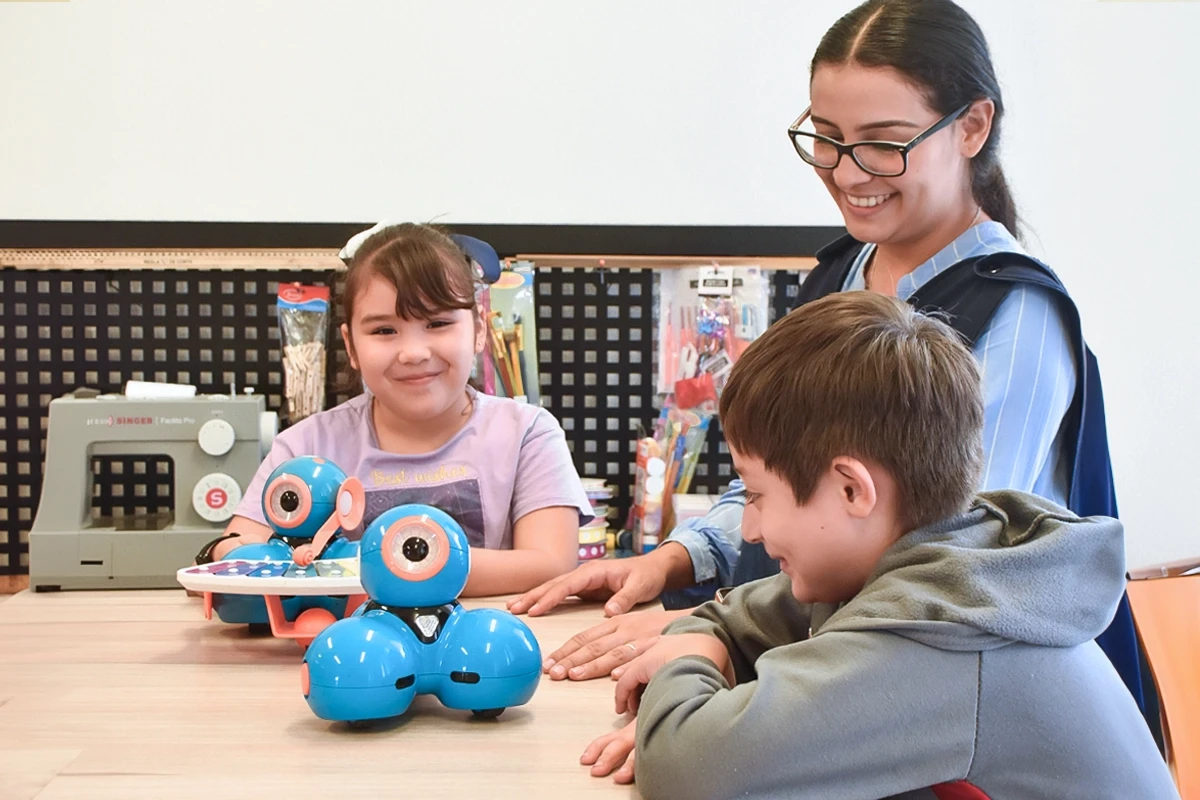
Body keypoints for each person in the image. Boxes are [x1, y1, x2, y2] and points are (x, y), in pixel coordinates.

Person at [509, 0, 1135, 701]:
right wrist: (679, 557)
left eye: (883, 142)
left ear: (972, 126)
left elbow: (946, 570)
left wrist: (717, 629)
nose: (846, 172)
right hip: (812, 660)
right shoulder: (840, 275)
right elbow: (785, 470)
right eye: (828, 137)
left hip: (936, 698)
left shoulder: (1020, 316)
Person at [580, 291, 1176, 798]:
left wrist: (686, 665)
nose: (753, 529)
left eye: (758, 496)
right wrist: (705, 644)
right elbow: (730, 616)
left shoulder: (944, 636)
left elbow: (689, 769)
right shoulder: (942, 568)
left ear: (851, 490)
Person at [199, 222, 593, 596]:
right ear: (351, 346)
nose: (414, 353)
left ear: (478, 330)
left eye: (437, 323)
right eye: (384, 331)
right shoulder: (305, 445)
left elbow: (551, 563)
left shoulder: (526, 433)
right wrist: (237, 554)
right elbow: (233, 550)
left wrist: (384, 565)